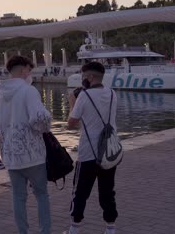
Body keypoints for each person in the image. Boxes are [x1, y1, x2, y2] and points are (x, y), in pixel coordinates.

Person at [0, 56, 51, 234]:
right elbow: (40, 118)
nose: (30, 74)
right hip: (32, 154)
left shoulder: (0, 95)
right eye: (29, 70)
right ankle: (44, 231)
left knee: (18, 197)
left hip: (11, 155)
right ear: (24, 69)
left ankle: (23, 232)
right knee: (41, 195)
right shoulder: (28, 91)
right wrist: (46, 124)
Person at [67, 62, 118, 234]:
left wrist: (72, 102)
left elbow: (71, 124)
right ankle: (110, 229)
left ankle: (74, 229)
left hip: (88, 153)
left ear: (89, 77)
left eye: (83, 77)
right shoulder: (112, 94)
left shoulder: (84, 96)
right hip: (108, 153)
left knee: (80, 192)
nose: (82, 80)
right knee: (107, 192)